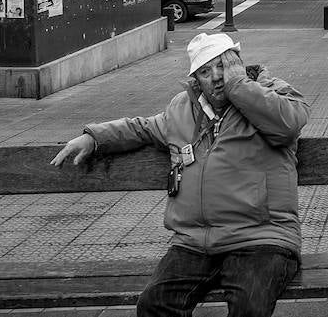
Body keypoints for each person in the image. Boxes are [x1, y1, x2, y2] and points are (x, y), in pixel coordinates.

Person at [50, 33, 310, 317]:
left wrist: (240, 86)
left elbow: (289, 123)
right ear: (196, 79)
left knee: (249, 305)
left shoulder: (271, 92)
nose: (217, 77)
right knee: (154, 303)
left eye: (222, 66)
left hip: (261, 237)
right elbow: (143, 128)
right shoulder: (183, 109)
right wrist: (94, 138)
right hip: (195, 241)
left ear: (238, 63)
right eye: (205, 71)